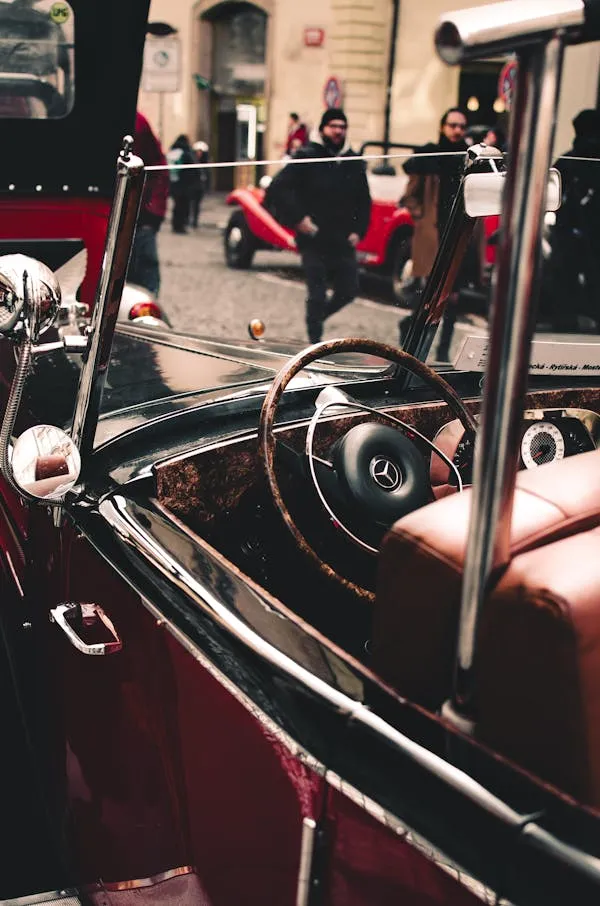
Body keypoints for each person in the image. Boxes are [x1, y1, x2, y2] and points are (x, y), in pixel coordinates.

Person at [266, 107, 372, 343]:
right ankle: (314, 342)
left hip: (342, 239)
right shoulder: (307, 155)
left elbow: (364, 199)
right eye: (333, 126)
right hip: (314, 238)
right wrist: (298, 219)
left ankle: (316, 319)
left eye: (342, 127)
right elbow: (278, 189)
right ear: (323, 129)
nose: (338, 131)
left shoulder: (353, 160)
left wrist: (359, 230)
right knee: (317, 294)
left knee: (349, 289)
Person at [399, 107, 471, 360]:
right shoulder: (430, 155)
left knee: (454, 300)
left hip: (459, 236)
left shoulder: (469, 158)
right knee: (430, 298)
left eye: (462, 126)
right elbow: (410, 195)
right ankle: (416, 349)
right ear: (443, 126)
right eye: (452, 125)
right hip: (433, 235)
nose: (457, 130)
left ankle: (441, 355)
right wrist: (422, 217)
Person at [542, 108, 600, 330]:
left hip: (574, 228)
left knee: (568, 273)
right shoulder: (571, 158)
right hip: (577, 228)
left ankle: (567, 316)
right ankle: (575, 315)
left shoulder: (571, 158)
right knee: (577, 273)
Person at [128, 111, 169, 296]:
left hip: (139, 216)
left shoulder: (137, 121)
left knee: (145, 287)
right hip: (103, 213)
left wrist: (152, 211)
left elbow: (158, 167)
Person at [166, 134, 196, 234]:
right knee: (183, 207)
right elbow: (192, 170)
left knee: (176, 206)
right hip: (184, 185)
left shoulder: (171, 152)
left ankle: (175, 225)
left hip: (173, 184)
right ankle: (180, 226)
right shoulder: (185, 153)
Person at [190, 140, 209, 229]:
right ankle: (190, 220)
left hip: (200, 187)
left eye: (201, 152)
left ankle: (195, 221)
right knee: (191, 204)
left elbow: (208, 176)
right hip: (192, 187)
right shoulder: (192, 161)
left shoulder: (205, 164)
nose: (199, 154)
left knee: (197, 205)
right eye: (198, 152)